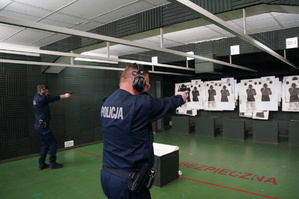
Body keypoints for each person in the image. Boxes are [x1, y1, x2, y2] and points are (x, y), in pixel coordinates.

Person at [100, 63, 188, 199]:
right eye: (146, 85)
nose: (146, 90)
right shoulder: (139, 103)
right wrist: (180, 98)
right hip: (129, 182)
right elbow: (165, 104)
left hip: (107, 175)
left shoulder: (107, 102)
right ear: (138, 82)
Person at [33, 84, 71, 170]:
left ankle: (41, 164)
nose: (47, 93)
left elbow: (48, 97)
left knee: (45, 144)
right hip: (43, 127)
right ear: (44, 91)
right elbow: (53, 98)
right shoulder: (42, 99)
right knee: (53, 144)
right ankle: (52, 163)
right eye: (46, 91)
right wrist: (65, 95)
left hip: (38, 126)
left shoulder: (36, 97)